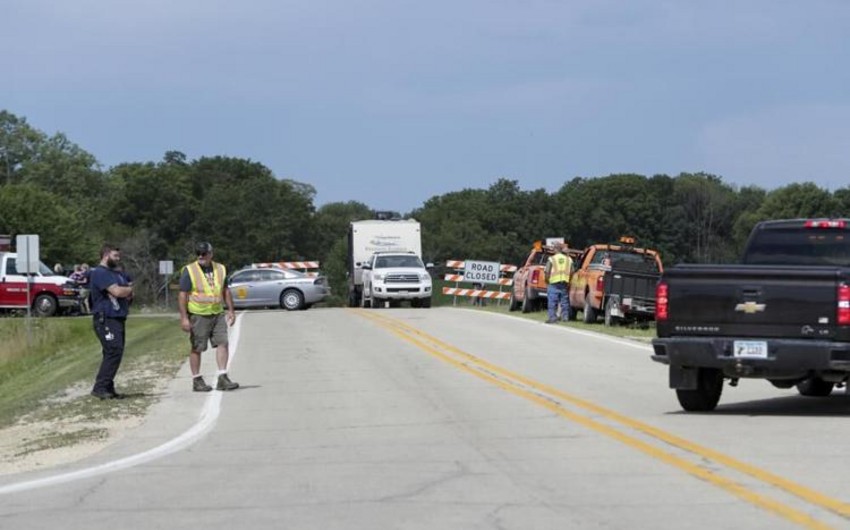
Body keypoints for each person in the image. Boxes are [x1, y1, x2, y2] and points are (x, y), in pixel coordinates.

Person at [178, 242, 239, 392]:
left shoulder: (220, 268)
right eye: (198, 253)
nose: (201, 256)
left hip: (217, 312)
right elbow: (182, 294)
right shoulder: (189, 270)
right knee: (197, 347)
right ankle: (197, 380)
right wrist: (184, 318)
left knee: (223, 343)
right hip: (198, 314)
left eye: (204, 253)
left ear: (211, 254)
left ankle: (222, 377)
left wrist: (231, 310)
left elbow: (225, 290)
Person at [89, 245, 134, 399]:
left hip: (117, 317)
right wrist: (127, 290)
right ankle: (100, 387)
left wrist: (127, 291)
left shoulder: (115, 274)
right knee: (113, 350)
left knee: (114, 351)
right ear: (106, 255)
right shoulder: (100, 273)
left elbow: (126, 291)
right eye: (115, 256)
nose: (118, 258)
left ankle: (108, 387)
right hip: (106, 318)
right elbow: (118, 291)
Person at [544, 243, 573, 324]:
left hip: (553, 283)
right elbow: (572, 272)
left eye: (553, 249)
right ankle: (565, 318)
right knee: (564, 302)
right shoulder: (569, 259)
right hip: (564, 283)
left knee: (552, 301)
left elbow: (547, 271)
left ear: (555, 249)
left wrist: (547, 281)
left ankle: (552, 318)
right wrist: (569, 281)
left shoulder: (552, 259)